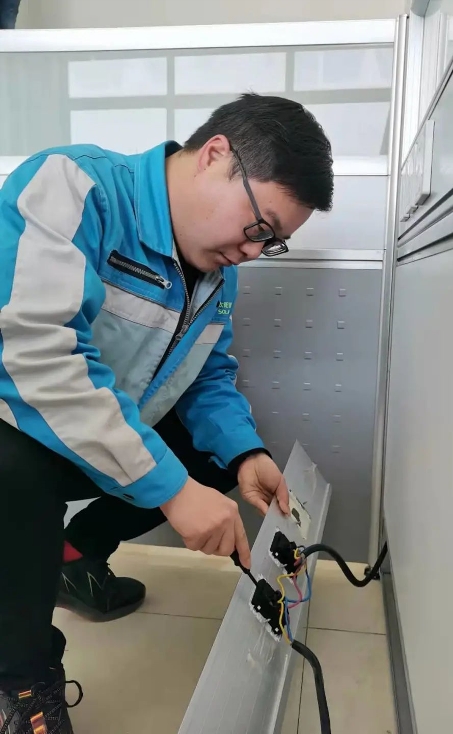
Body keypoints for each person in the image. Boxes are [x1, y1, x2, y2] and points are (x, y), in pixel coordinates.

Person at [0, 92, 333, 733]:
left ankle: (75, 556)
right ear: (215, 156)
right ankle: (19, 680)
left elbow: (207, 375)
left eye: (273, 244)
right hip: (19, 422)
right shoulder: (74, 188)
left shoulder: (217, 272)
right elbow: (36, 358)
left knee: (214, 453)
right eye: (259, 229)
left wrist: (245, 454)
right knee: (11, 472)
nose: (254, 252)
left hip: (94, 434)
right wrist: (171, 490)